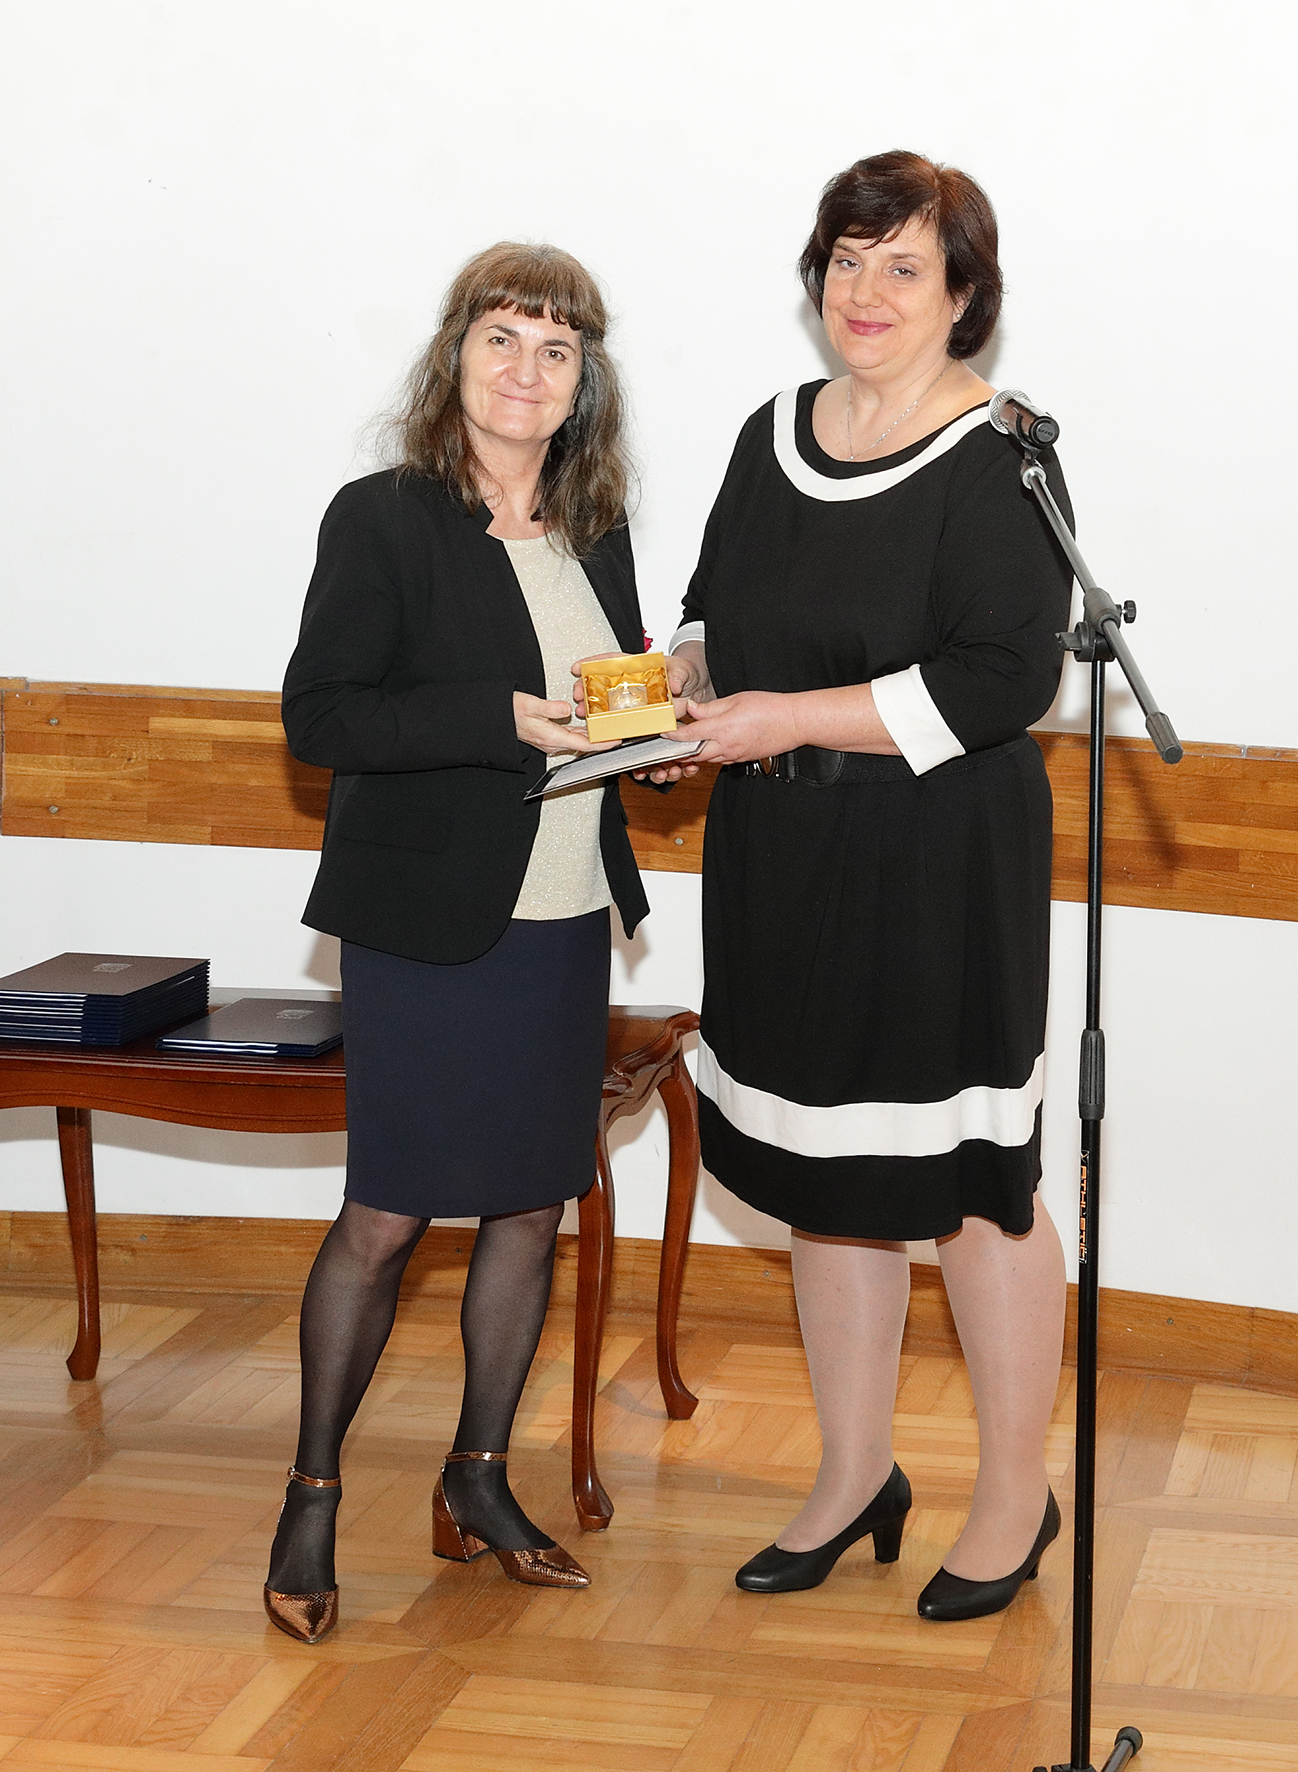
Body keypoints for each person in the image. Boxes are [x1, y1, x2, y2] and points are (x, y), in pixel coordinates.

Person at [658, 151, 1073, 1622]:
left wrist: (789, 715)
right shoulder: (769, 432)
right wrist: (677, 687)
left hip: (938, 863)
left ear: (964, 297)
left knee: (975, 1188)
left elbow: (1004, 679)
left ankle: (1015, 1496)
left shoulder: (1002, 454)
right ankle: (852, 1476)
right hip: (780, 857)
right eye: (847, 259)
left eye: (905, 265)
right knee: (826, 1183)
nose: (867, 290)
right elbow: (715, 615)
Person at [268, 242, 650, 1643]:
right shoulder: (382, 517)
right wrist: (496, 720)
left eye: (557, 348)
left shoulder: (595, 526)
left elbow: (606, 702)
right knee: (386, 1216)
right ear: (455, 357)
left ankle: (477, 1480)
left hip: (563, 914)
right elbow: (322, 718)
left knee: (533, 1205)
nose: (526, 370)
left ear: (583, 381)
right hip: (428, 927)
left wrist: (656, 736)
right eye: (503, 338)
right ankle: (312, 1496)